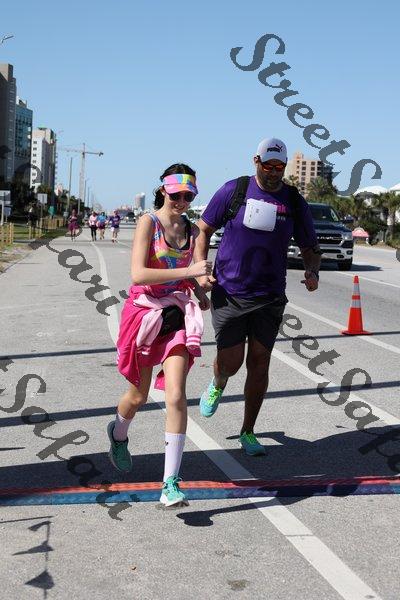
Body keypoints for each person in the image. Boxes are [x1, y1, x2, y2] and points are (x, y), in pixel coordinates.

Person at [194, 137, 321, 456]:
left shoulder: (294, 201)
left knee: (260, 362)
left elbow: (309, 245)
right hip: (230, 292)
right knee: (232, 362)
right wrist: (200, 270)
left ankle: (248, 431)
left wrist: (312, 271)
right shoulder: (234, 190)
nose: (274, 172)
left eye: (280, 166)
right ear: (256, 161)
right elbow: (203, 229)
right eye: (269, 165)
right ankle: (218, 382)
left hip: (269, 295)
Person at [108, 164, 211, 508]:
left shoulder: (192, 230)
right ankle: (118, 434)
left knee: (176, 395)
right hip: (144, 314)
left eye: (189, 196)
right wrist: (189, 271)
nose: (182, 201)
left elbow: (189, 274)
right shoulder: (148, 223)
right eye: (177, 194)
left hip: (175, 314)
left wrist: (201, 289)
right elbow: (138, 274)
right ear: (163, 190)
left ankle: (170, 484)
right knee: (137, 396)